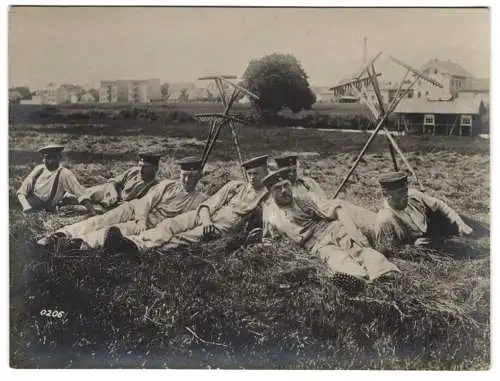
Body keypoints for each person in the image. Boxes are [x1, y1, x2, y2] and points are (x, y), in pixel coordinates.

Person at [102, 155, 271, 256]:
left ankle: (136, 249)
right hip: (205, 216)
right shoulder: (236, 186)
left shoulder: (267, 197)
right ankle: (130, 241)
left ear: (266, 173)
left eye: (256, 173)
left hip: (223, 227)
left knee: (183, 238)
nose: (251, 178)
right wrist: (206, 220)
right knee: (169, 224)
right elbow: (208, 205)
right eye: (249, 174)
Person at [261, 168, 400, 284]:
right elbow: (269, 239)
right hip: (315, 245)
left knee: (357, 249)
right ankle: (356, 278)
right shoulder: (270, 214)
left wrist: (354, 232)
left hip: (331, 229)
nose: (284, 191)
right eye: (278, 188)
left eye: (286, 185)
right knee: (334, 257)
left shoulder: (304, 199)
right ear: (270, 193)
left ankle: (384, 271)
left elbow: (334, 209)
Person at [39, 156, 208, 251]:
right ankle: (60, 235)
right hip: (135, 208)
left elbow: (195, 217)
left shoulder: (201, 199)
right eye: (183, 175)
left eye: (191, 176)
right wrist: (141, 218)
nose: (186, 180)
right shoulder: (168, 184)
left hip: (152, 223)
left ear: (200, 175)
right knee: (100, 220)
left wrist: (144, 224)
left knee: (115, 232)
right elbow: (147, 201)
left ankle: (78, 244)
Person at [374, 171, 473, 251]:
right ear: (386, 195)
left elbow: (438, 204)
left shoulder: (413, 194)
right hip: (427, 241)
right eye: (400, 193)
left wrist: (460, 223)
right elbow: (387, 249)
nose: (405, 195)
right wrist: (412, 247)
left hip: (433, 223)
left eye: (405, 190)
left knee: (475, 229)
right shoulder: (386, 219)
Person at [17, 144, 96, 215]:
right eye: (47, 157)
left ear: (59, 158)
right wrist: (26, 207)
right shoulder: (39, 169)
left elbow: (80, 193)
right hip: (25, 204)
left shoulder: (64, 174)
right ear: (43, 159)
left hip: (44, 209)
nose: (50, 161)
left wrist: (92, 211)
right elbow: (21, 191)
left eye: (54, 157)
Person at [63, 152, 161, 209]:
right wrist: (114, 193)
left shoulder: (156, 187)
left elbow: (145, 206)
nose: (140, 170)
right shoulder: (134, 171)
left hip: (121, 207)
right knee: (72, 197)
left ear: (155, 169)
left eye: (145, 167)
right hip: (109, 193)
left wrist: (129, 204)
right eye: (139, 166)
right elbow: (114, 181)